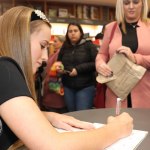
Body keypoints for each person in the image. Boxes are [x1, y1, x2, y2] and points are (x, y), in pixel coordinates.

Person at [0, 6, 133, 150]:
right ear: (20, 37)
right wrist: (116, 129)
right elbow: (53, 145)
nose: (45, 57)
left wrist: (45, 117)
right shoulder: (5, 68)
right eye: (42, 45)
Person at [96, 0, 150, 108]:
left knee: (143, 124)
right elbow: (102, 53)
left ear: (143, 4)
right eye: (126, 3)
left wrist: (135, 58)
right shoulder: (110, 28)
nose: (131, 6)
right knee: (117, 123)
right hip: (115, 93)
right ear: (121, 6)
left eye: (135, 2)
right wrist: (99, 64)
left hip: (145, 94)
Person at [57, 22, 98, 112]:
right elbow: (59, 61)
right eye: (70, 31)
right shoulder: (65, 46)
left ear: (81, 33)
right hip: (68, 86)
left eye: (75, 31)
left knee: (82, 115)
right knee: (71, 114)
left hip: (85, 86)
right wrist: (59, 67)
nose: (73, 33)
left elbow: (96, 63)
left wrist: (78, 70)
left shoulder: (89, 45)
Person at [42, 35, 67, 113]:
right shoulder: (54, 54)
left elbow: (57, 70)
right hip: (50, 87)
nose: (53, 43)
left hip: (55, 88)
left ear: (62, 43)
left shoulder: (60, 54)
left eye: (56, 41)